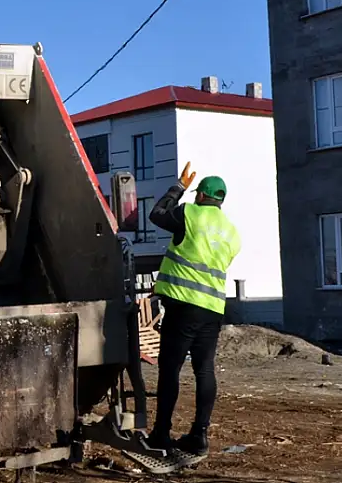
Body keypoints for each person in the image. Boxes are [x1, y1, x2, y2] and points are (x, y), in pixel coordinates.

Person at [143, 162, 241, 466]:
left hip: (183, 306)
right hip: (213, 309)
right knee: (204, 370)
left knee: (169, 369)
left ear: (200, 196)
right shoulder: (231, 232)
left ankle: (161, 434)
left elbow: (157, 213)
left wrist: (178, 187)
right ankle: (199, 436)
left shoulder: (189, 213)